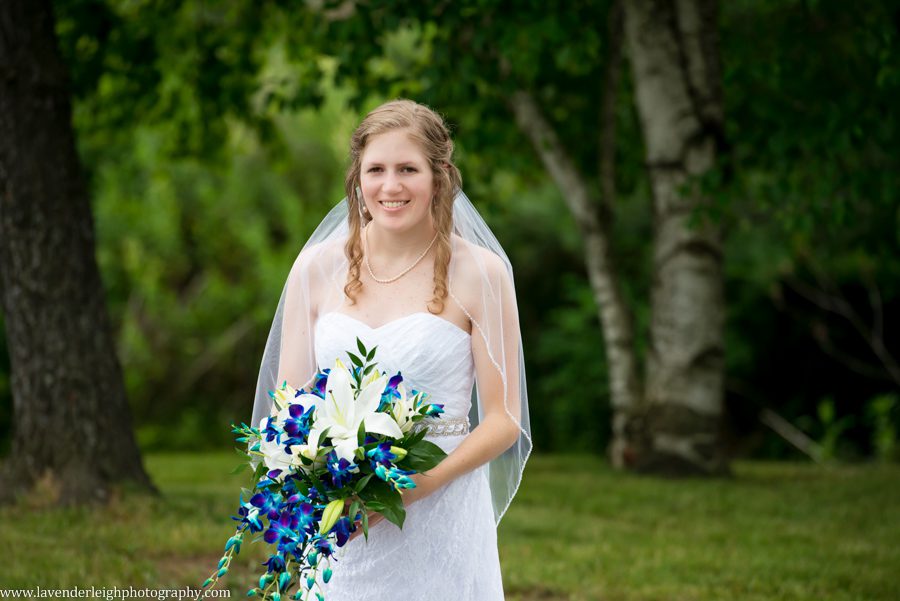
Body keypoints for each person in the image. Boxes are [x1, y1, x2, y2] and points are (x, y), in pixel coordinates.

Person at [250, 98, 532, 600]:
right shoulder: (315, 269)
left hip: (441, 503)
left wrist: (416, 486)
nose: (391, 185)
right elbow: (288, 403)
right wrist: (319, 485)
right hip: (343, 508)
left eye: (408, 169)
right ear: (357, 178)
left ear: (439, 177)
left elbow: (503, 419)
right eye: (376, 169)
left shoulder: (480, 273)